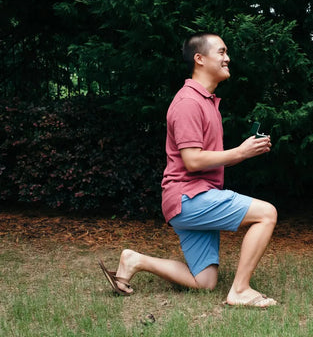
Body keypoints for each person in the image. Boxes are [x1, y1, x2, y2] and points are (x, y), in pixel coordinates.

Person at [99, 32, 278, 308]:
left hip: (193, 197)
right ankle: (240, 290)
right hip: (188, 198)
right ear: (199, 58)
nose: (227, 58)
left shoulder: (206, 101)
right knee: (267, 213)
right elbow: (193, 161)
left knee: (204, 281)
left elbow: (209, 158)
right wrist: (240, 152)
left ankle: (135, 260)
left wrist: (244, 152)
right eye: (221, 52)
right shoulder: (188, 103)